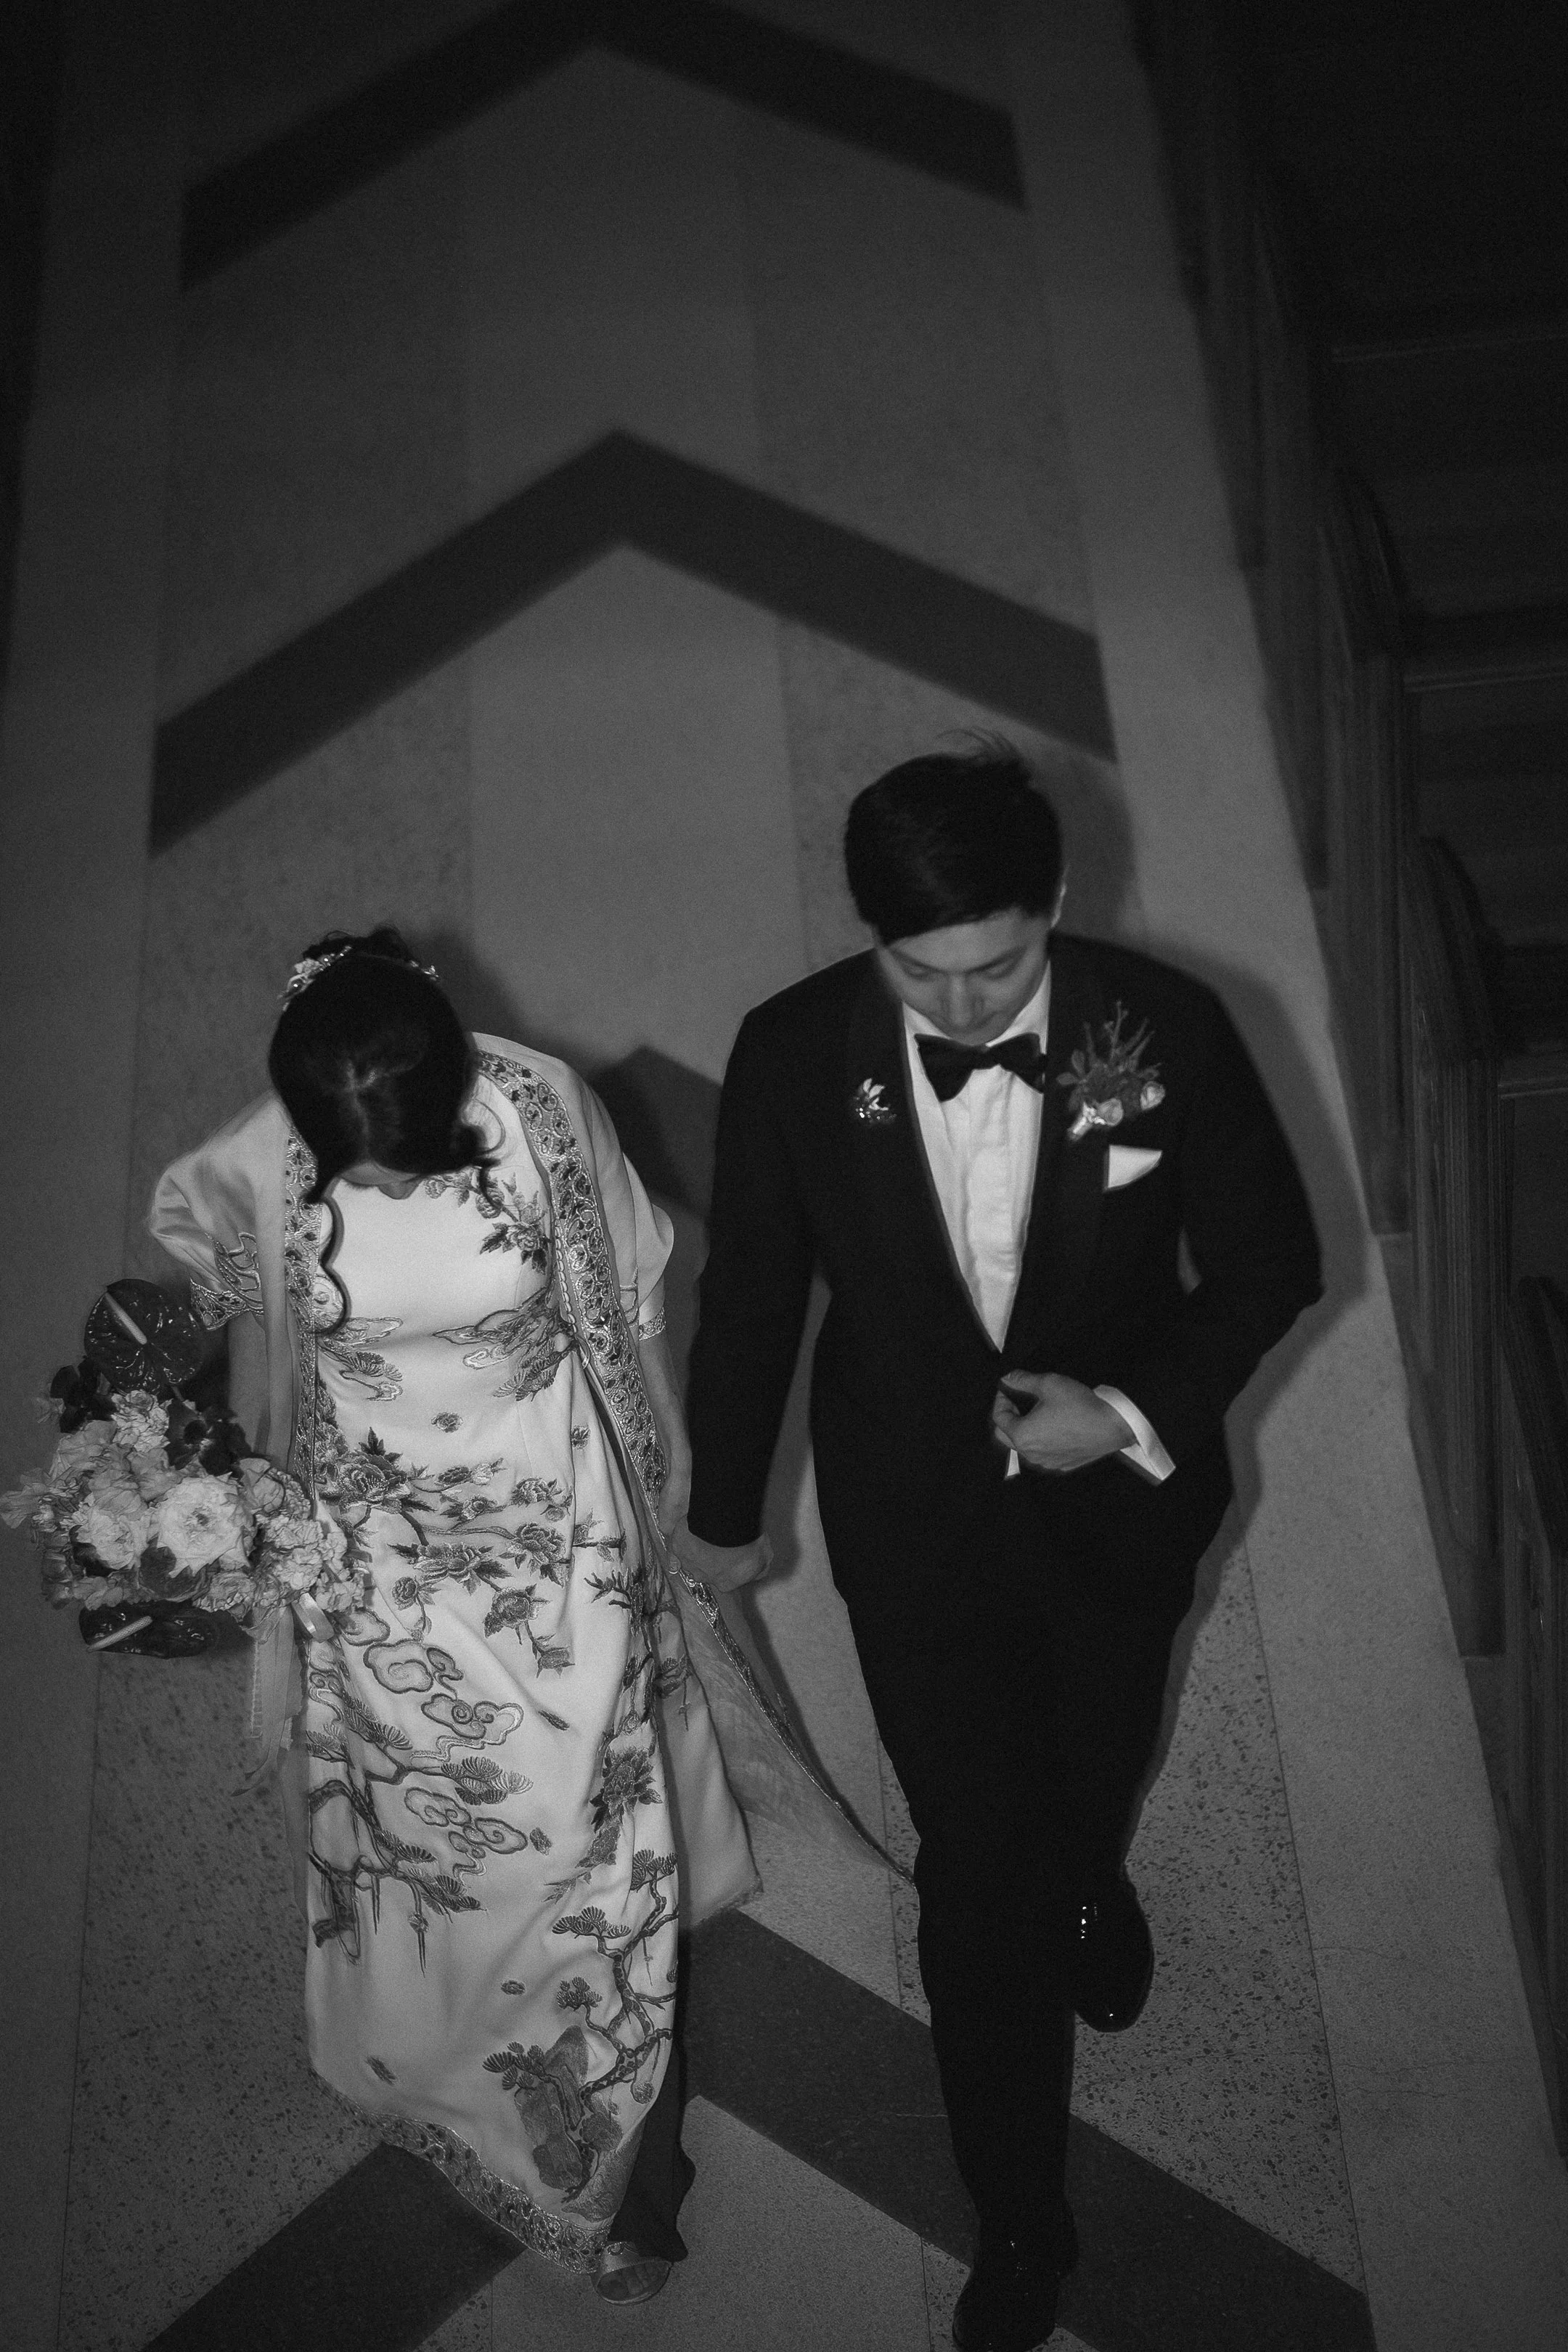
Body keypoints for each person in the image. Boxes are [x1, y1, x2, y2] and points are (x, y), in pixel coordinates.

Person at [675, 746, 1323, 2351]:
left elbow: (1271, 1262)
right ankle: (1018, 2213)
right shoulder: (789, 1052)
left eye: (998, 971)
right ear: (871, 935)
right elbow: (757, 1295)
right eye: (922, 975)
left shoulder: (1159, 1027)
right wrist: (723, 1511)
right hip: (913, 1509)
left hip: (1120, 1493)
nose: (963, 1013)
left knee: (1098, 1749)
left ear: (1054, 910)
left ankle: (1097, 1862)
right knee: (980, 1878)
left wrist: (1125, 1408)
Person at [149, 928, 756, 2300]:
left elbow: (626, 1313)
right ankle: (438, 2046)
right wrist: (231, 1510)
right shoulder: (262, 1157)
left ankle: (621, 2170)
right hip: (370, 1547)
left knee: (575, 1841)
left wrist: (668, 1492)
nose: (374, 1182)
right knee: (427, 1825)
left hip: (550, 1519)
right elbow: (254, 1343)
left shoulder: (541, 1109)